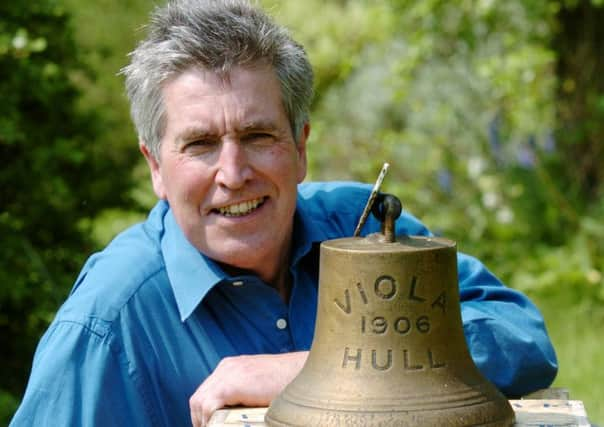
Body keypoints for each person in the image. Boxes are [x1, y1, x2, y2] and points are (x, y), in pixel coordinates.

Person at [10, 0, 558, 426]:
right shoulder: (106, 326)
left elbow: (522, 339)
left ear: (301, 148)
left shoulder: (363, 227)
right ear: (155, 166)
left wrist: (310, 371)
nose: (233, 172)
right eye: (200, 144)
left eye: (258, 135)